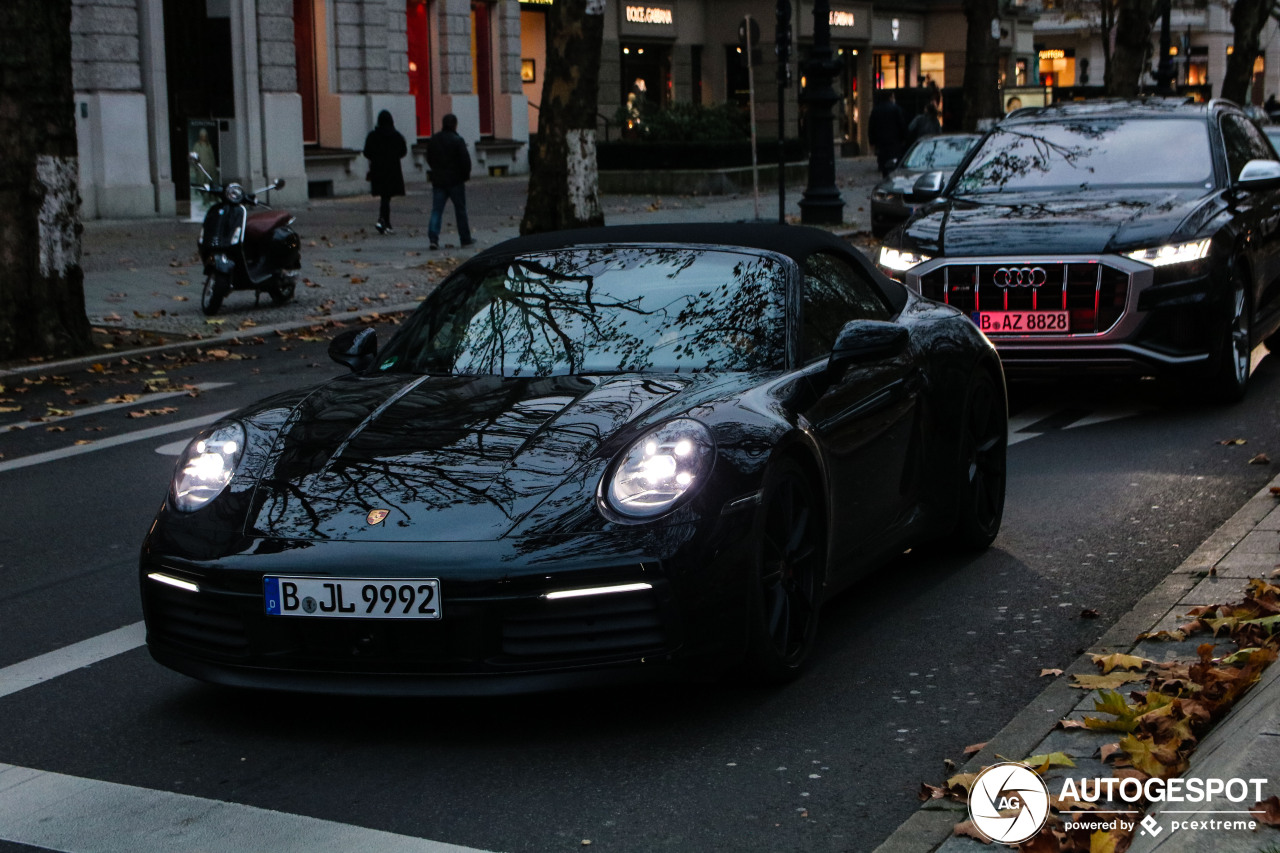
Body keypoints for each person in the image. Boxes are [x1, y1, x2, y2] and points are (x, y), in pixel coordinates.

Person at [426, 113, 473, 250]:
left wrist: (435, 170)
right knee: (460, 210)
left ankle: (433, 238)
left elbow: (430, 158)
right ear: (454, 125)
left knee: (437, 210)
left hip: (439, 180)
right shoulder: (457, 140)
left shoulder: (434, 139)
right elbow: (465, 161)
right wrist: (465, 175)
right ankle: (465, 238)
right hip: (455, 180)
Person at [363, 110, 407, 234]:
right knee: (386, 198)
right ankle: (384, 222)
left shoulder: (373, 135)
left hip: (378, 170)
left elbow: (367, 152)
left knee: (384, 197)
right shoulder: (396, 135)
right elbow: (403, 151)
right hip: (392, 170)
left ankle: (383, 221)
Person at [868, 90, 907, 178]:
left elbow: (871, 126)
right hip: (894, 141)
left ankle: (885, 176)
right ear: (890, 97)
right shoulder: (896, 109)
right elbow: (902, 125)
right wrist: (903, 138)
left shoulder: (876, 110)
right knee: (894, 162)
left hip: (881, 142)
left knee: (883, 163)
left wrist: (872, 141)